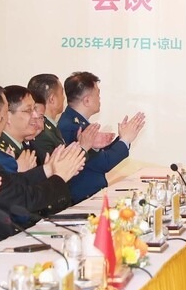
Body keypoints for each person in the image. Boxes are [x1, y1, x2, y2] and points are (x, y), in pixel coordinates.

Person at [0, 89, 85, 249]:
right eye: (0, 117)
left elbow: (14, 182)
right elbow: (24, 199)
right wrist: (59, 178)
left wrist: (49, 169)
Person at [58, 72, 146, 203]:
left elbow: (100, 155)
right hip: (81, 199)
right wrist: (125, 140)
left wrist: (122, 138)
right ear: (87, 100)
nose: (100, 98)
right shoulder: (71, 127)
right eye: (98, 94)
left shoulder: (78, 123)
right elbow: (102, 163)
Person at [0, 86, 39, 173]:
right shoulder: (1, 151)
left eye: (34, 109)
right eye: (28, 110)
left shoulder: (26, 145)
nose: (36, 115)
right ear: (7, 116)